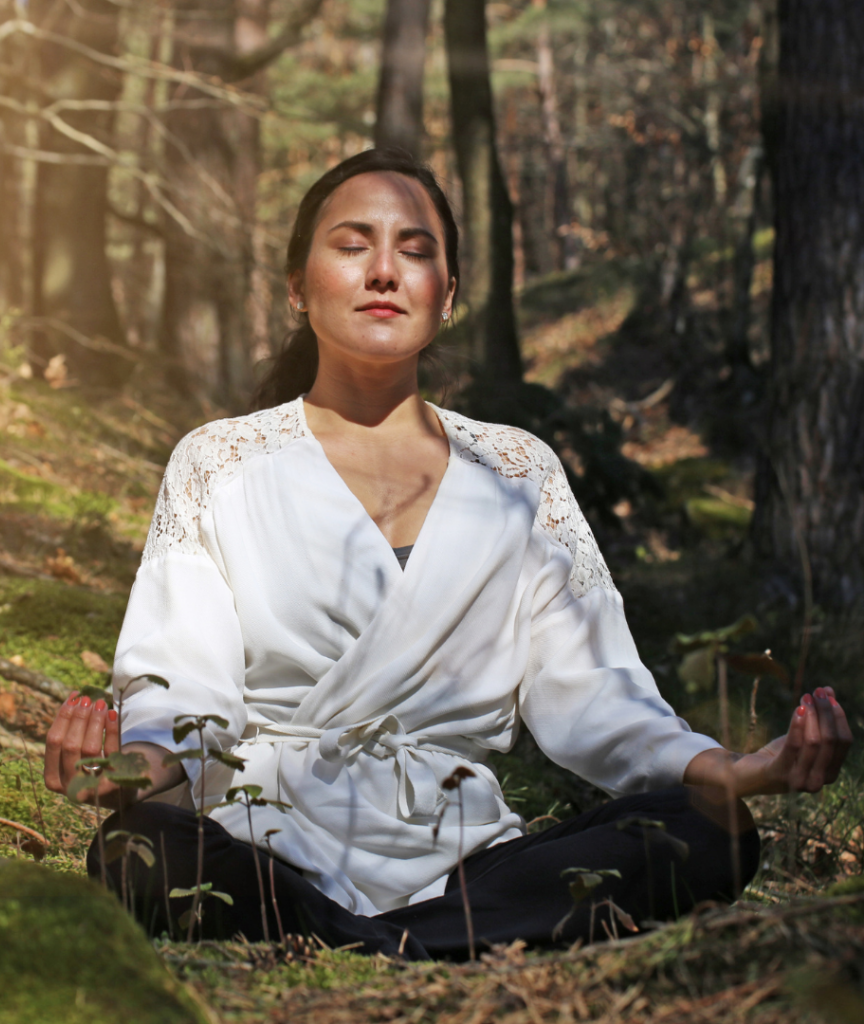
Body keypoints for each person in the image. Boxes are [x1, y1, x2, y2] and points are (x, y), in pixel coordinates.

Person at [44, 149, 853, 960]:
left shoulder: (515, 472)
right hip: (266, 848)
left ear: (449, 295)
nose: (385, 272)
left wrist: (735, 773)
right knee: (138, 850)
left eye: (417, 250)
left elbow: (598, 695)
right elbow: (184, 683)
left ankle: (366, 941)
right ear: (297, 285)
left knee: (703, 831)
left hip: (471, 858)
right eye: (353, 245)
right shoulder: (220, 461)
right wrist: (129, 772)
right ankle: (432, 944)